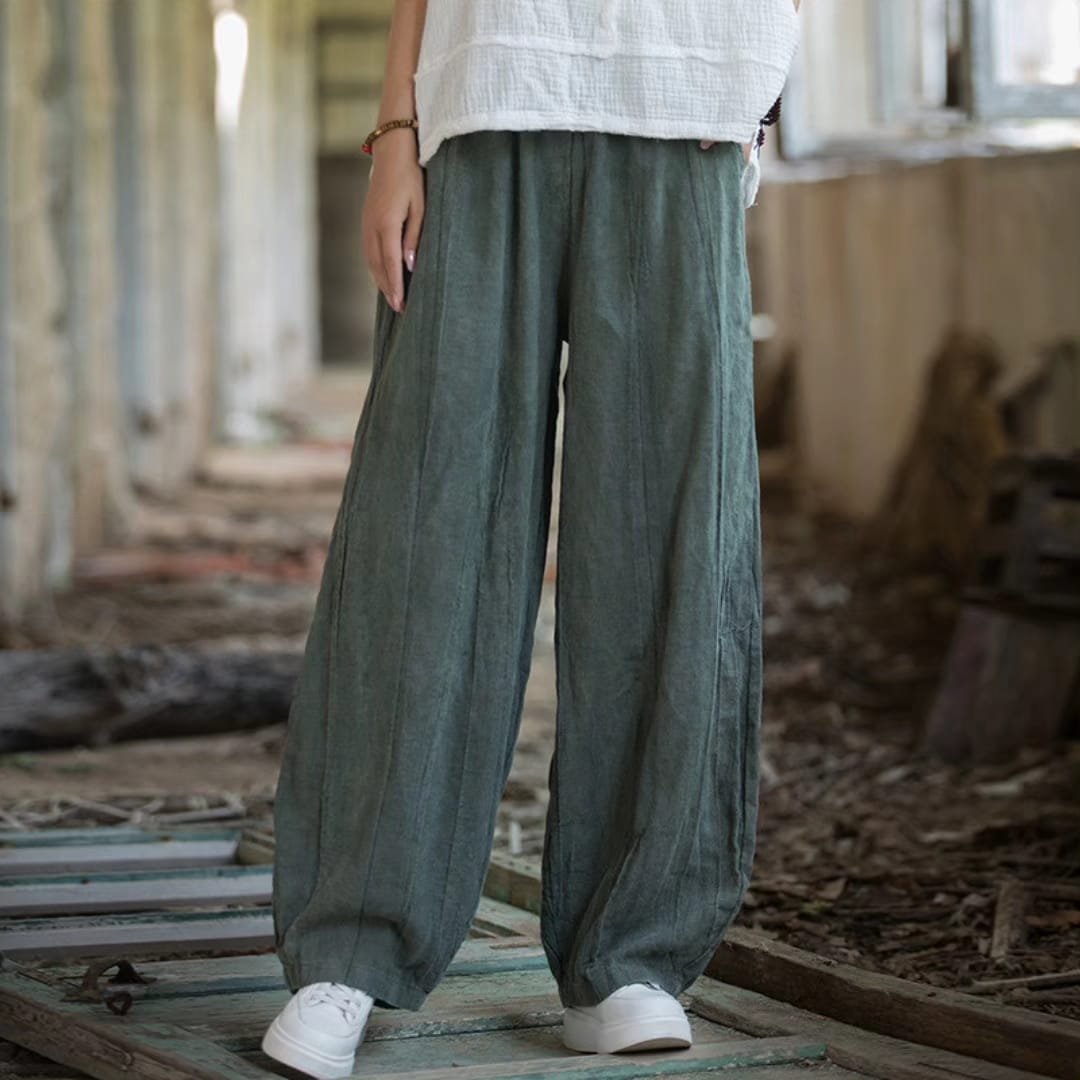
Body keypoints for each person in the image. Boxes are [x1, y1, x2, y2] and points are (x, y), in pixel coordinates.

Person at [262, 1, 801, 1076]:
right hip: (484, 96)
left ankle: (631, 956)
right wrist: (396, 131)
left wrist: (760, 84)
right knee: (425, 522)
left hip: (687, 96)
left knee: (671, 536)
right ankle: (354, 945)